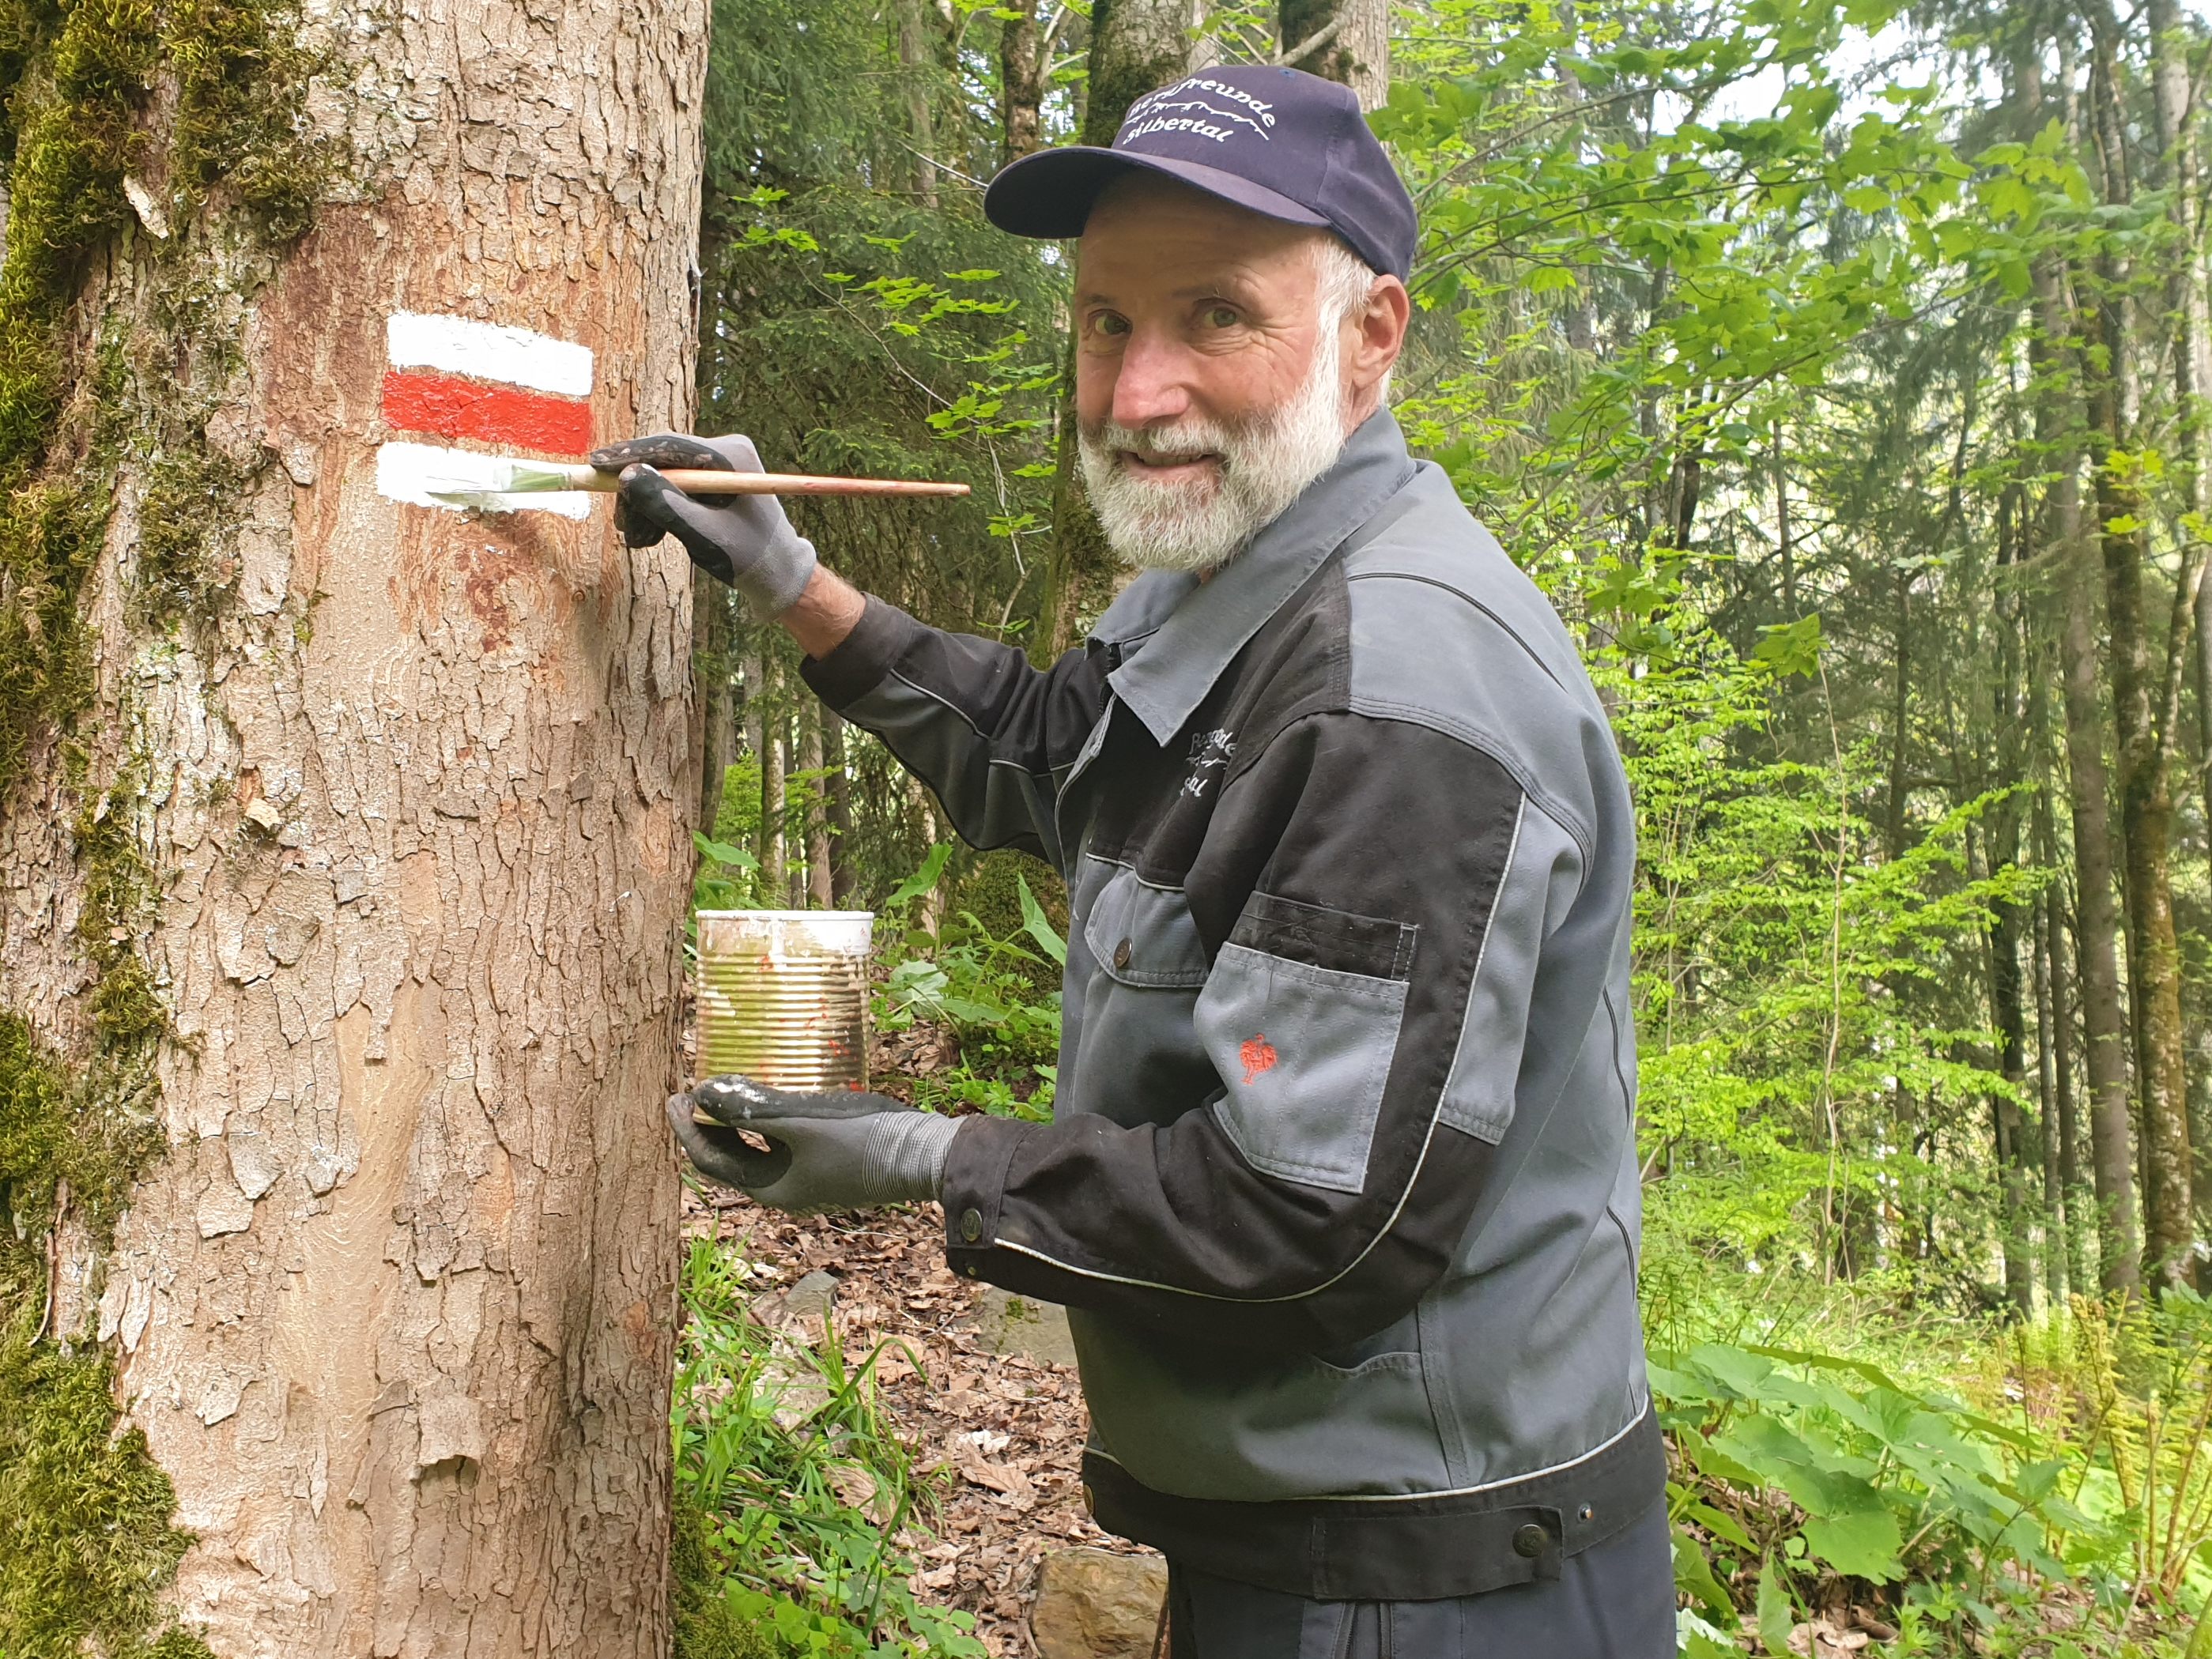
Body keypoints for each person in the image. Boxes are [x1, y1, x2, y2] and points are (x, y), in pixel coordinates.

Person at [602, 62, 1673, 1659]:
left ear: (1372, 336)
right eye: (1106, 322)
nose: (1136, 390)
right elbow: (1063, 757)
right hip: (1306, 1529)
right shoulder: (1243, 556)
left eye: (1215, 317)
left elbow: (1302, 1221)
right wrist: (799, 585)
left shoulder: (1397, 696)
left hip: (1426, 1589)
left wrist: (924, 1160)